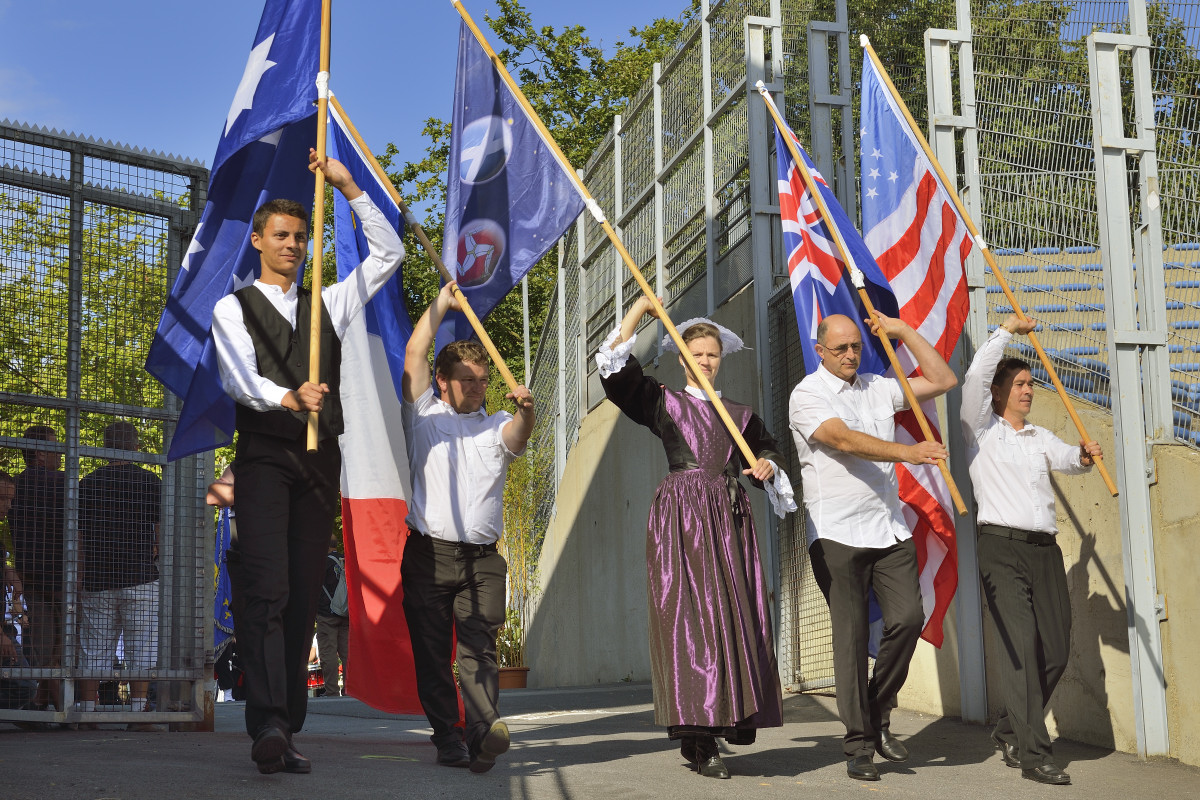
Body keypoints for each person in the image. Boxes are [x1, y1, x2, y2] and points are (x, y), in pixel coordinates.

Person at [210, 150, 404, 774]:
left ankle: (285, 729)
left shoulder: (333, 302)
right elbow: (241, 377)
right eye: (282, 236)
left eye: (300, 237)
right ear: (260, 242)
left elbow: (389, 254)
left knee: (300, 599)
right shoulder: (232, 308)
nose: (293, 245)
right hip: (265, 459)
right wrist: (287, 396)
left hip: (321, 464)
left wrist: (348, 187)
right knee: (266, 588)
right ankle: (264, 722)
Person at [595, 296, 796, 780]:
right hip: (682, 520)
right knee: (690, 619)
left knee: (734, 615)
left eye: (712, 355)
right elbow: (615, 374)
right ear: (682, 360)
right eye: (697, 355)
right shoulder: (663, 401)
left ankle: (730, 714)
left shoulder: (740, 414)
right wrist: (640, 311)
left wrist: (767, 464)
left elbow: (765, 451)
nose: (706, 361)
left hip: (729, 523)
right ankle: (697, 736)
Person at [788, 312, 957, 781]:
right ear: (820, 351)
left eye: (856, 347)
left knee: (907, 618)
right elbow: (840, 440)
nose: (849, 355)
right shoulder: (807, 393)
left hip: (887, 528)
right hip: (836, 532)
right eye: (839, 348)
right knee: (850, 637)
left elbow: (943, 378)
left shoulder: (879, 387)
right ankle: (860, 745)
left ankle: (875, 712)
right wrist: (908, 453)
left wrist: (902, 332)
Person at [961, 314, 1101, 786]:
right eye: (1018, 383)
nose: (1027, 390)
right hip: (1000, 548)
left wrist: (1083, 457)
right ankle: (1034, 754)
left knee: (1056, 651)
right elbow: (978, 374)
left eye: (1030, 383)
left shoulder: (1039, 437)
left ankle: (1008, 729)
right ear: (997, 394)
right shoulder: (980, 431)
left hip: (1045, 552)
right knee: (1020, 649)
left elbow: (1069, 459)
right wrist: (1005, 334)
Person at [400, 281, 533, 774]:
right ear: (442, 381)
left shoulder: (497, 422)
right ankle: (448, 737)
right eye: (467, 379)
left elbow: (517, 437)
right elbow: (415, 349)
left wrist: (527, 412)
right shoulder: (423, 416)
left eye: (482, 380)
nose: (477, 388)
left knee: (479, 648)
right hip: (427, 555)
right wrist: (443, 301)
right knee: (433, 654)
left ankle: (484, 733)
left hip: (483, 560)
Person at [75, 421, 161, 730]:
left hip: (98, 578)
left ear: (104, 447)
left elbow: (81, 535)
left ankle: (87, 710)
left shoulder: (88, 483)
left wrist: (81, 575)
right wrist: (154, 553)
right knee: (142, 644)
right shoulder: (150, 481)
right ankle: (138, 713)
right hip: (140, 576)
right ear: (136, 447)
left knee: (93, 647)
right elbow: (159, 531)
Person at [8, 425, 66, 716]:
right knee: (62, 643)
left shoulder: (16, 485)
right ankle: (62, 709)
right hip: (62, 573)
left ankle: (40, 703)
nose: (62, 453)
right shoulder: (64, 483)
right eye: (57, 447)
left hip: (29, 572)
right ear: (41, 453)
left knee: (45, 642)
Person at [314, 540, 348, 697]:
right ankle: (350, 689)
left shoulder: (321, 563)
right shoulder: (345, 560)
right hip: (346, 612)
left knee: (328, 652)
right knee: (347, 652)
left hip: (326, 613)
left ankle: (332, 690)